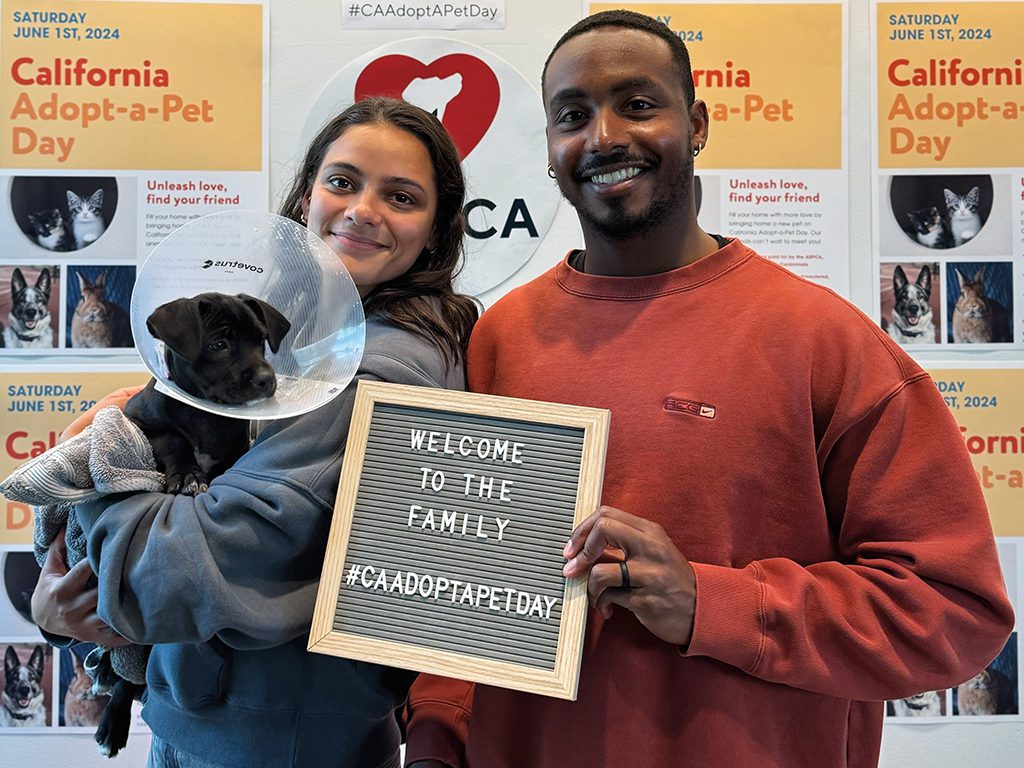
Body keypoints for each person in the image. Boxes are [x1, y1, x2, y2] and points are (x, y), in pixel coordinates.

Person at [403, 11, 1014, 768]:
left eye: (637, 104)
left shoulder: (822, 341)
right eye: (573, 115)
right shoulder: (499, 339)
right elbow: (453, 588)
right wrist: (435, 733)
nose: (603, 137)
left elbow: (954, 612)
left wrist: (710, 603)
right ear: (552, 149)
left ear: (695, 124)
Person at [30, 96, 478, 768]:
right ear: (305, 199)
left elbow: (181, 570)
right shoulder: (309, 345)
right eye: (343, 181)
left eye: (402, 196)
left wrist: (90, 515)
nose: (362, 209)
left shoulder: (375, 369)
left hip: (270, 743)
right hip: (222, 722)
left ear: (437, 230)